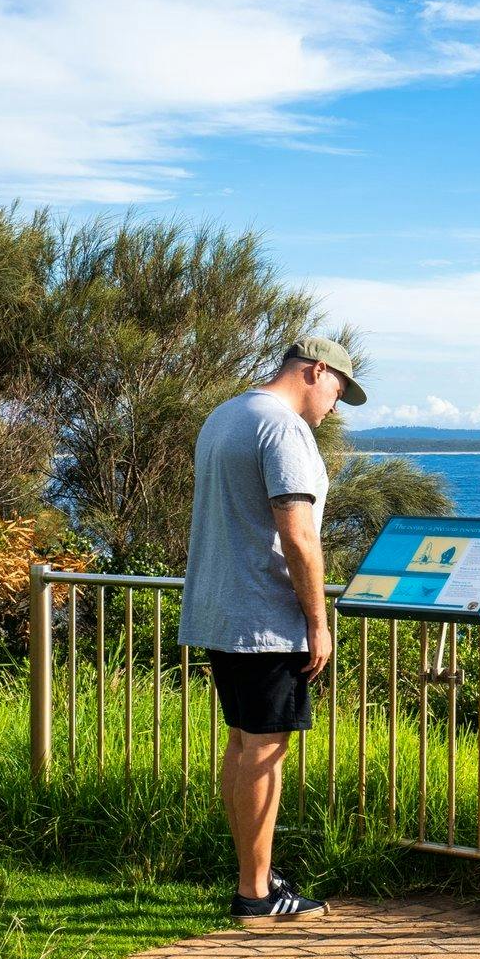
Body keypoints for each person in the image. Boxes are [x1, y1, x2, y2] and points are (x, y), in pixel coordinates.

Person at [179, 337, 367, 924]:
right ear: (316, 371)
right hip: (265, 617)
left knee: (242, 744)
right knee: (265, 751)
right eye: (339, 390)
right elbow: (299, 534)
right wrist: (317, 619)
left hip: (219, 609)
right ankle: (256, 895)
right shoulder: (284, 430)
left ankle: (251, 874)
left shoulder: (226, 415)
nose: (335, 406)